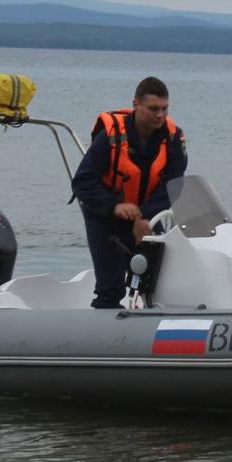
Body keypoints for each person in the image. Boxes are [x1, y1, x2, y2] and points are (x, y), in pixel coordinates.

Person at [71, 76, 187, 308]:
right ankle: (105, 319)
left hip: (148, 215)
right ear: (136, 105)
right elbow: (83, 182)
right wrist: (115, 207)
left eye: (165, 109)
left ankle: (153, 320)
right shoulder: (111, 137)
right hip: (108, 215)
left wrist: (142, 217)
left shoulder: (173, 138)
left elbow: (174, 185)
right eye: (153, 109)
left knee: (154, 278)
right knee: (110, 285)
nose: (160, 116)